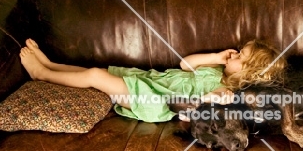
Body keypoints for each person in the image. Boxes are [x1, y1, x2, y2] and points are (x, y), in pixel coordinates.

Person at [19, 38, 286, 122]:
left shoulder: (223, 91)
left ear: (248, 73)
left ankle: (41, 74)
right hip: (148, 81)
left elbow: (191, 110)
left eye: (241, 55)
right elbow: (184, 64)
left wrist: (207, 99)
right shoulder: (215, 70)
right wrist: (216, 56)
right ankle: (52, 64)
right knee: (97, 70)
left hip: (153, 101)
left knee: (96, 76)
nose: (234, 53)